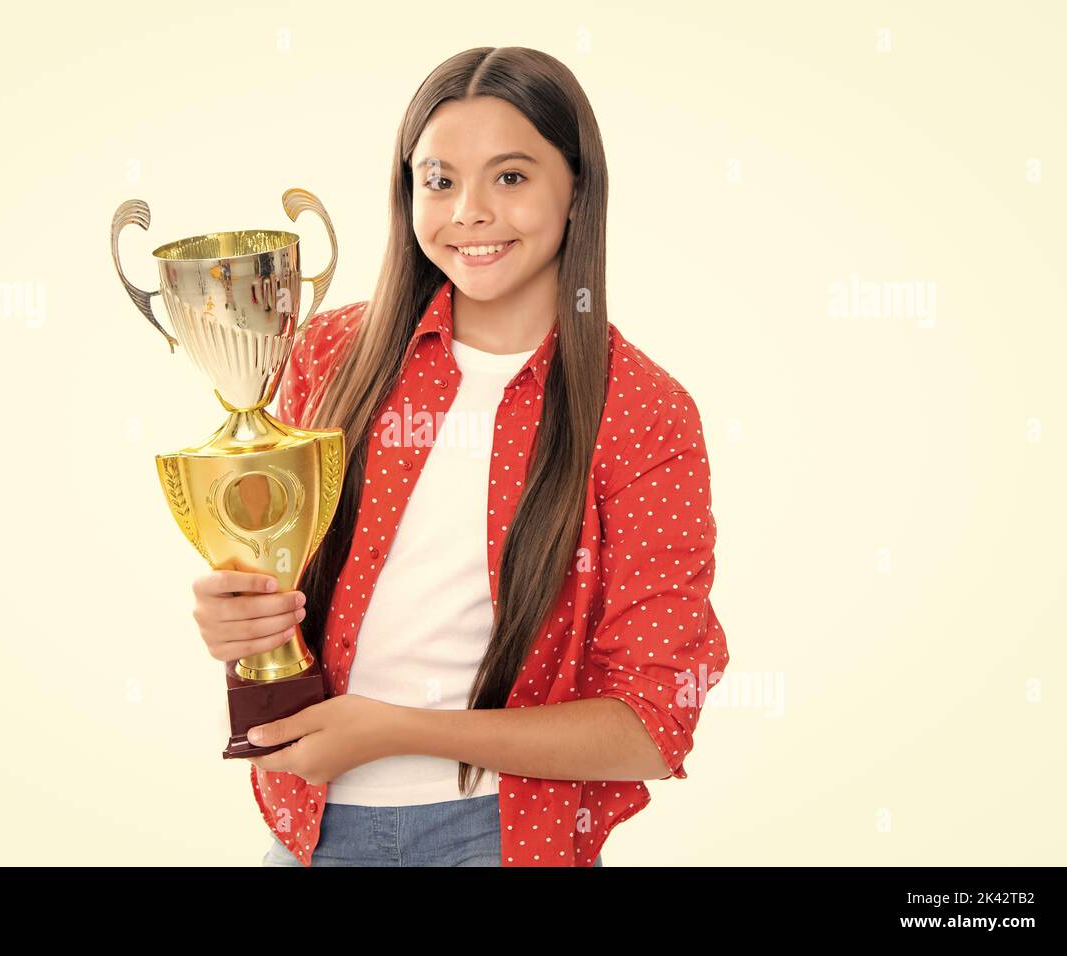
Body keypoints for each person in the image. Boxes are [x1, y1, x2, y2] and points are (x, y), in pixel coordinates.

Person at [191, 46, 729, 867]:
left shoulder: (643, 412)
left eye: (510, 177)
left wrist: (395, 732)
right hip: (306, 834)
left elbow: (650, 728)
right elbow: (278, 581)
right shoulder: (329, 355)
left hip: (499, 840)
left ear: (577, 188)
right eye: (439, 180)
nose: (469, 211)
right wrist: (238, 619)